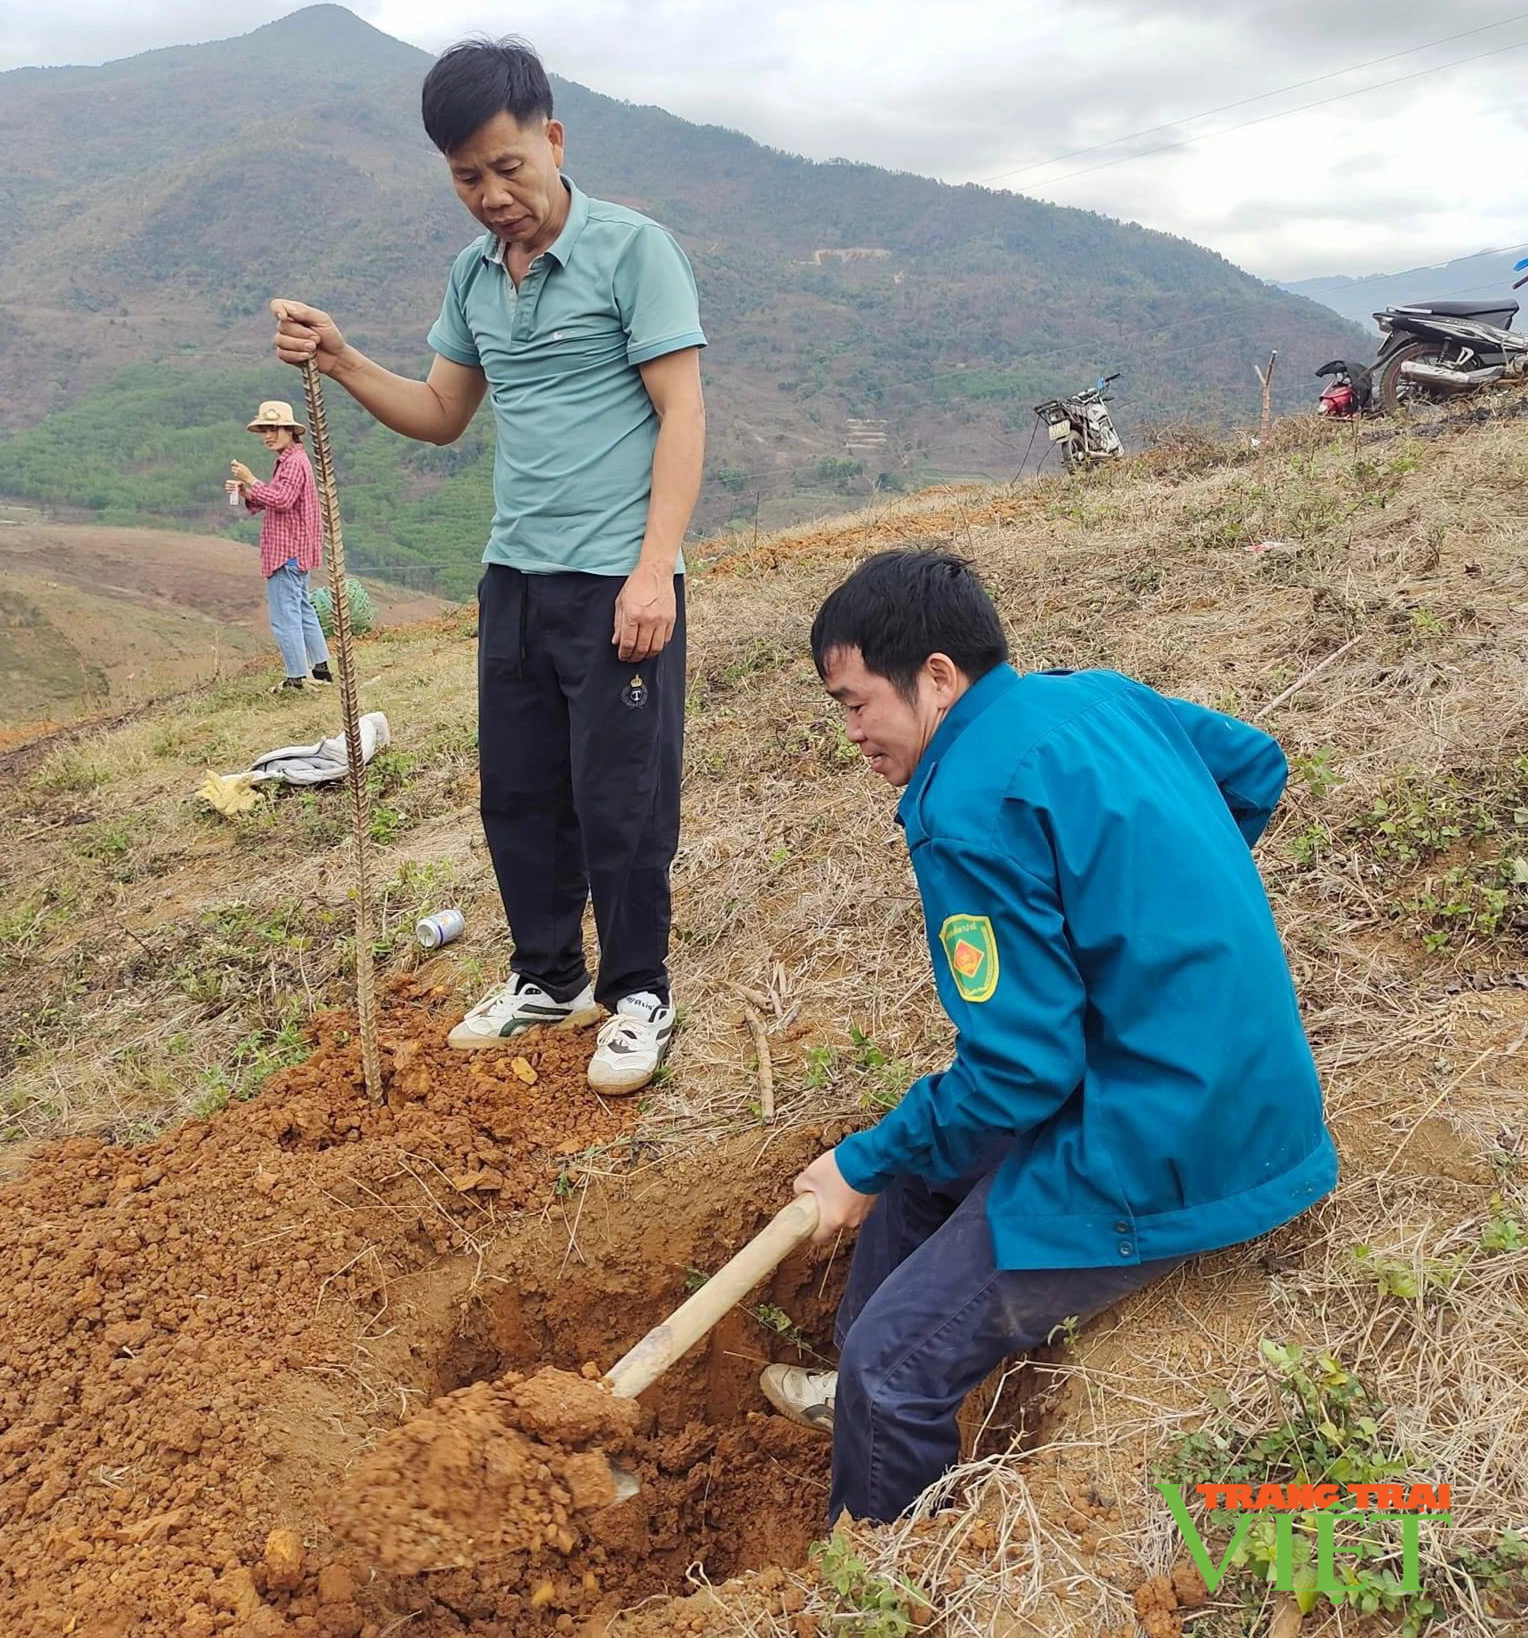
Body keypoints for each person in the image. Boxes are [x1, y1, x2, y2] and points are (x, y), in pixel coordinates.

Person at [762, 550, 1338, 1525]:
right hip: (1247, 1087)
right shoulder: (1100, 698)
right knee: (914, 1183)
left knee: (897, 1363)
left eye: (856, 703)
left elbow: (1023, 1072)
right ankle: (858, 1404)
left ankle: (875, 1574)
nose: (851, 731)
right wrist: (1151, 928)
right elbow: (1254, 768)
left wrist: (856, 1162)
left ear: (936, 677)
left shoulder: (965, 806)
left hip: (1169, 1141)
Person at [265, 39, 706, 1094]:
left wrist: (654, 573)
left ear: (552, 140)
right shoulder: (472, 276)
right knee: (517, 791)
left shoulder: (633, 250)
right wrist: (340, 356)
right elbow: (441, 414)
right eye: (467, 177)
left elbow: (682, 411)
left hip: (615, 577)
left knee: (622, 797)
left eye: (508, 167)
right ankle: (547, 976)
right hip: (513, 576)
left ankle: (637, 992)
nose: (492, 195)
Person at [227, 400, 334, 694]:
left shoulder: (293, 463)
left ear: (289, 430)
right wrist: (248, 491)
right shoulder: (292, 461)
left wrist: (250, 480)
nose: (268, 436)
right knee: (302, 608)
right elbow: (278, 497)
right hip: (297, 551)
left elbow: (282, 500)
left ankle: (296, 677)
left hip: (286, 552)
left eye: (273, 428)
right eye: (265, 430)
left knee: (285, 616)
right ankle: (319, 666)